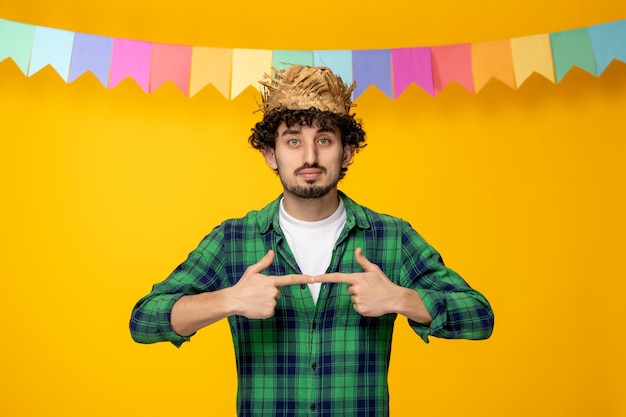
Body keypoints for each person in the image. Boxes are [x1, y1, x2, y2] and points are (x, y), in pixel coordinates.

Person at [129, 65, 494, 417]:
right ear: (271, 154)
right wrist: (229, 299)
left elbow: (480, 317)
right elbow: (144, 321)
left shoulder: (391, 237)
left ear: (347, 151)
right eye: (293, 141)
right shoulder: (233, 240)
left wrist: (400, 298)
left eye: (324, 140)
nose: (309, 157)